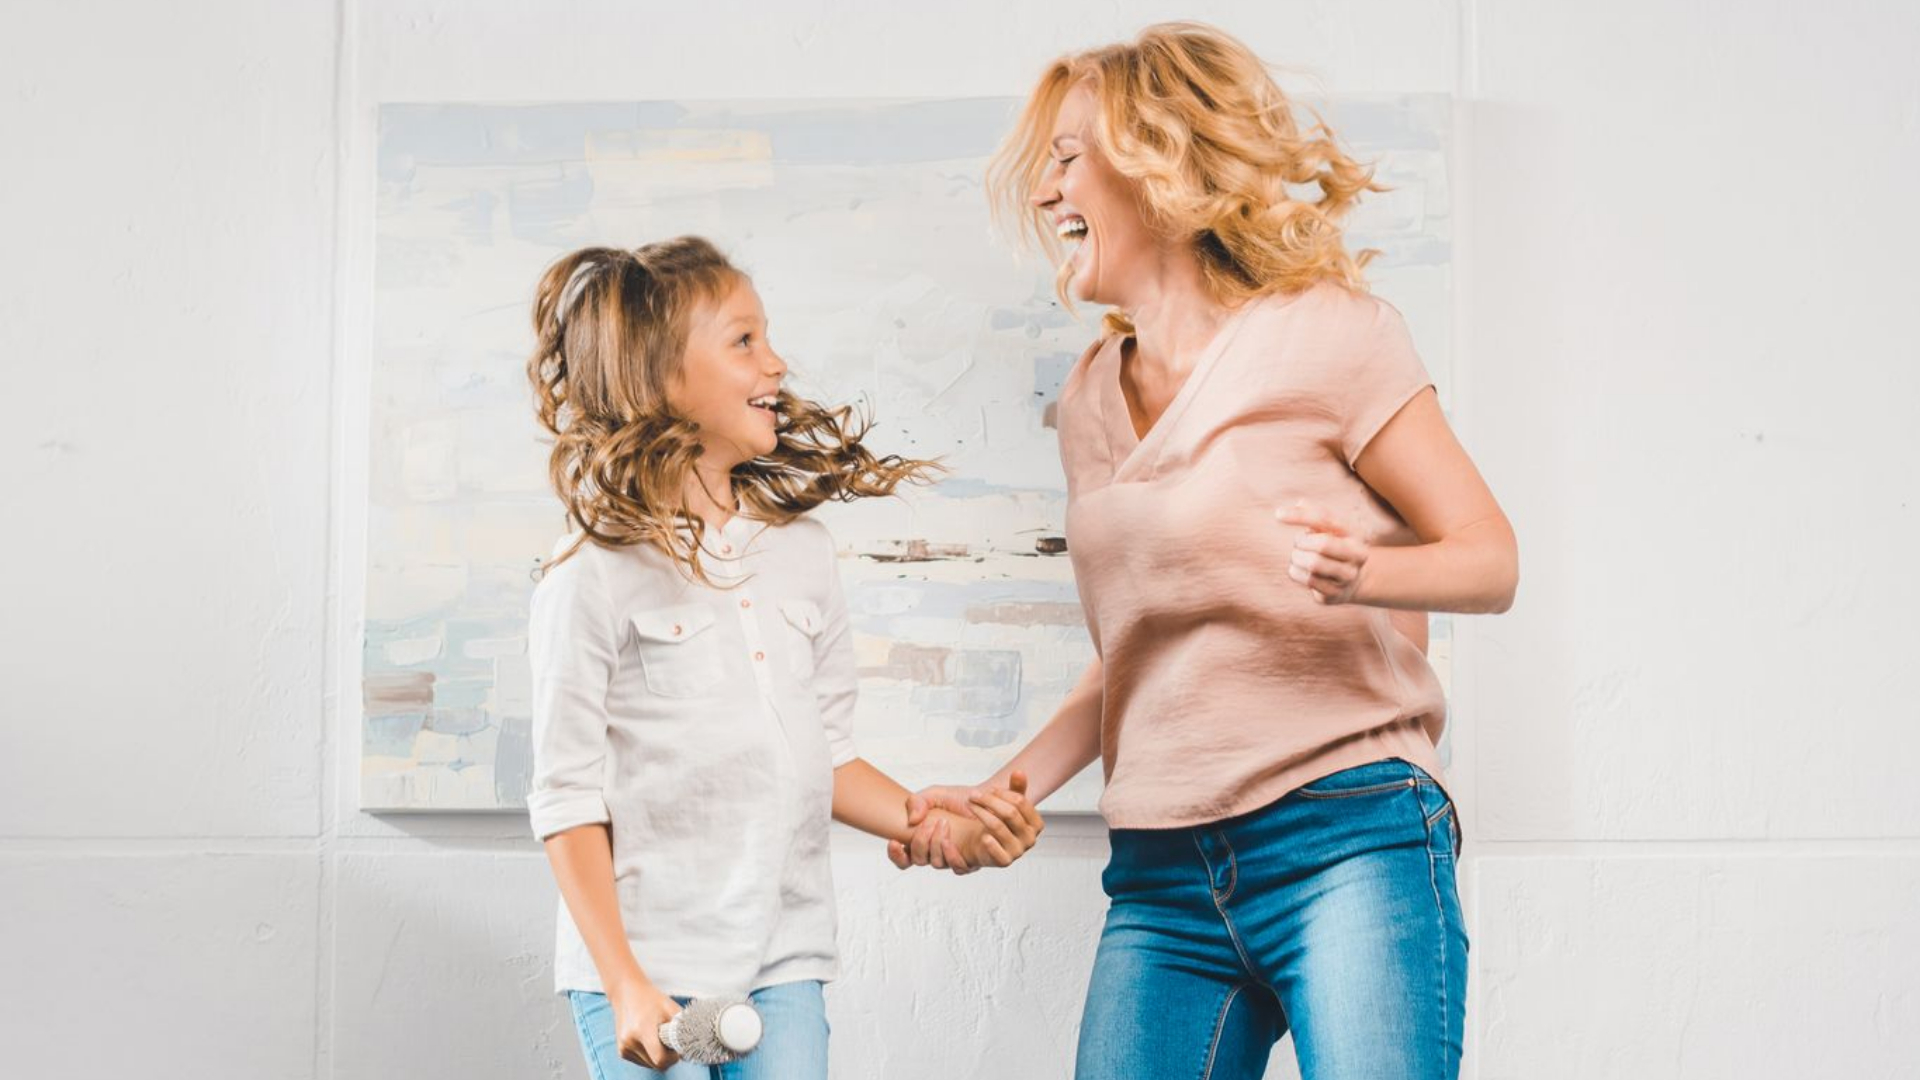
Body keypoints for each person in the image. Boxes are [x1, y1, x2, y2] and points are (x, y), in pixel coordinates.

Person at [893, 23, 1518, 1080]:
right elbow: (1131, 659)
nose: (1045, 192)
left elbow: (1490, 558)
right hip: (1162, 874)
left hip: (1348, 832)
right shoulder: (1088, 401)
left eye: (1067, 157)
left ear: (1158, 161)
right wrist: (1004, 790)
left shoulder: (1332, 333)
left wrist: (1369, 573)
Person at [523, 237, 1045, 1079]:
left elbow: (824, 755)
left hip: (782, 962)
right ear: (660, 377)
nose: (777, 363)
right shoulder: (590, 571)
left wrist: (937, 824)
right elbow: (567, 797)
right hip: (647, 968)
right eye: (744, 341)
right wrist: (622, 983)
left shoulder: (802, 553)